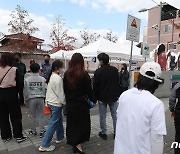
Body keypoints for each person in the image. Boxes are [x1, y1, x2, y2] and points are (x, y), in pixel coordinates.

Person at [114, 62, 167, 154]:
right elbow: (156, 138)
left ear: (139, 77)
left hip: (120, 150)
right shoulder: (156, 104)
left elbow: (120, 118)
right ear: (156, 83)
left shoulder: (124, 95)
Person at [63, 53, 96, 154]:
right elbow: (89, 91)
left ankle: (74, 143)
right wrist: (94, 100)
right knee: (82, 125)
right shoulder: (83, 74)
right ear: (81, 62)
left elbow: (65, 90)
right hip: (81, 104)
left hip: (70, 104)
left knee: (72, 124)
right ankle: (78, 145)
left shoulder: (66, 73)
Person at [0, 53, 26, 143]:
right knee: (16, 116)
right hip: (12, 93)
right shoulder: (14, 69)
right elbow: (19, 84)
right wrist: (20, 95)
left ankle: (6, 136)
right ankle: (18, 136)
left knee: (3, 116)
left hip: (1, 93)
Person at [93, 53, 121, 140]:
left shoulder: (98, 72)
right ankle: (116, 132)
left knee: (103, 116)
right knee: (115, 115)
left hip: (102, 97)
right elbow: (118, 83)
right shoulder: (114, 70)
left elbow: (95, 86)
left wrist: (95, 98)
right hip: (113, 97)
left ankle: (104, 133)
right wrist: (117, 94)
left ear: (101, 61)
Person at [39, 60, 65, 152]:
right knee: (53, 124)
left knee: (58, 121)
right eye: (62, 67)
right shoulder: (58, 79)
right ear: (57, 68)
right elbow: (61, 93)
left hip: (50, 102)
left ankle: (60, 137)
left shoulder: (52, 76)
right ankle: (45, 145)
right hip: (56, 103)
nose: (62, 69)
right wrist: (65, 102)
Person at [24, 63, 46, 138]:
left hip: (31, 99)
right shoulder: (43, 79)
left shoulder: (27, 80)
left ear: (30, 70)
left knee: (32, 116)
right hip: (41, 98)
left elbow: (26, 92)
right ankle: (42, 131)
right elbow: (45, 89)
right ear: (38, 70)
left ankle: (33, 130)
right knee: (41, 116)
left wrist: (26, 101)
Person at [169, 82, 180, 154]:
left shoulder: (178, 85)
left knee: (178, 135)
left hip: (179, 113)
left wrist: (172, 110)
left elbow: (171, 99)